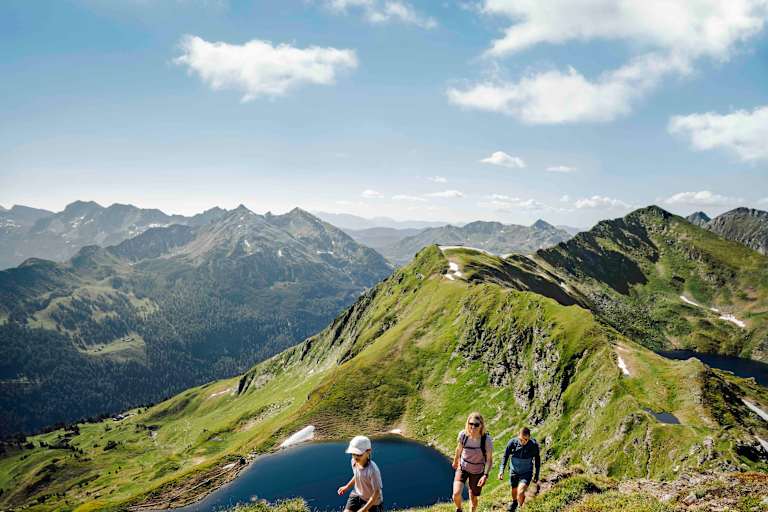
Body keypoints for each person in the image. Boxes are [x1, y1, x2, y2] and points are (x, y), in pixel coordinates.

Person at [452, 412, 493, 512]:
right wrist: (456, 460)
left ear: (481, 425)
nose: (473, 427)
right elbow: (459, 448)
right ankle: (459, 509)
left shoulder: (486, 440)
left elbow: (489, 460)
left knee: (473, 497)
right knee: (456, 494)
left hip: (477, 471)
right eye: (471, 424)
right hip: (463, 467)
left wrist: (485, 475)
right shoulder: (463, 435)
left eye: (476, 424)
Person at [498, 427, 540, 511]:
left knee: (520, 492)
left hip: (526, 472)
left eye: (526, 440)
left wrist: (536, 474)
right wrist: (501, 470)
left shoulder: (533, 445)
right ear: (518, 436)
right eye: (521, 439)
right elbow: (505, 456)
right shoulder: (512, 443)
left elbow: (537, 459)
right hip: (514, 471)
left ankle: (520, 508)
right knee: (514, 490)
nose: (523, 442)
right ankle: (514, 503)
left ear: (529, 437)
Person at [337, 435, 384, 512]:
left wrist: (364, 509)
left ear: (368, 451)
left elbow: (377, 492)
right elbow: (357, 475)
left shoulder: (372, 470)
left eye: (359, 454)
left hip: (373, 502)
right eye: (353, 454)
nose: (355, 457)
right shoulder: (354, 461)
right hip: (357, 495)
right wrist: (347, 487)